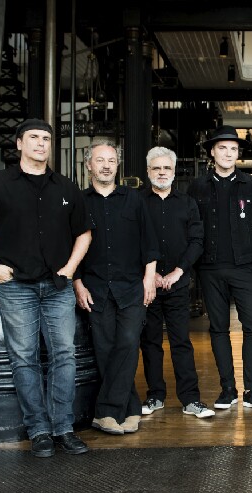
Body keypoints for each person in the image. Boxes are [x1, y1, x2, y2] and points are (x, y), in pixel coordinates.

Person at [0, 118, 92, 457]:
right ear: (19, 144)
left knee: (64, 356)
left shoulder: (65, 187)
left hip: (57, 286)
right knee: (24, 359)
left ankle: (63, 428)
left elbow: (84, 233)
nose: (41, 143)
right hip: (16, 288)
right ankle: (39, 431)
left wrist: (70, 268)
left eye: (46, 139)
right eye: (34, 137)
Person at [74, 141, 160, 435]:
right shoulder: (79, 201)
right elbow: (70, 246)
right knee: (104, 349)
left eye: (111, 160)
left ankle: (106, 412)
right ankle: (130, 408)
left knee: (127, 343)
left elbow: (149, 241)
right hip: (95, 288)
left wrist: (149, 278)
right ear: (89, 165)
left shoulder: (134, 199)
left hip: (132, 287)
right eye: (100, 160)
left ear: (117, 165)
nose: (106, 166)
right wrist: (77, 283)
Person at [188, 125, 252, 411]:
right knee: (218, 328)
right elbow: (191, 229)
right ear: (212, 152)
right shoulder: (197, 187)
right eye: (222, 148)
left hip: (245, 267)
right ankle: (227, 389)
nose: (228, 153)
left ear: (238, 154)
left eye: (233, 149)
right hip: (209, 269)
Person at [139, 146, 214, 418]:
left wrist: (177, 272)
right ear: (148, 171)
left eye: (166, 168)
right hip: (147, 285)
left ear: (173, 171)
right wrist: (151, 275)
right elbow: (132, 241)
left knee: (181, 342)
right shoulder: (137, 202)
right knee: (150, 343)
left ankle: (190, 399)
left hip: (178, 284)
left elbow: (197, 241)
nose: (162, 172)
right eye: (156, 168)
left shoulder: (187, 203)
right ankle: (155, 396)